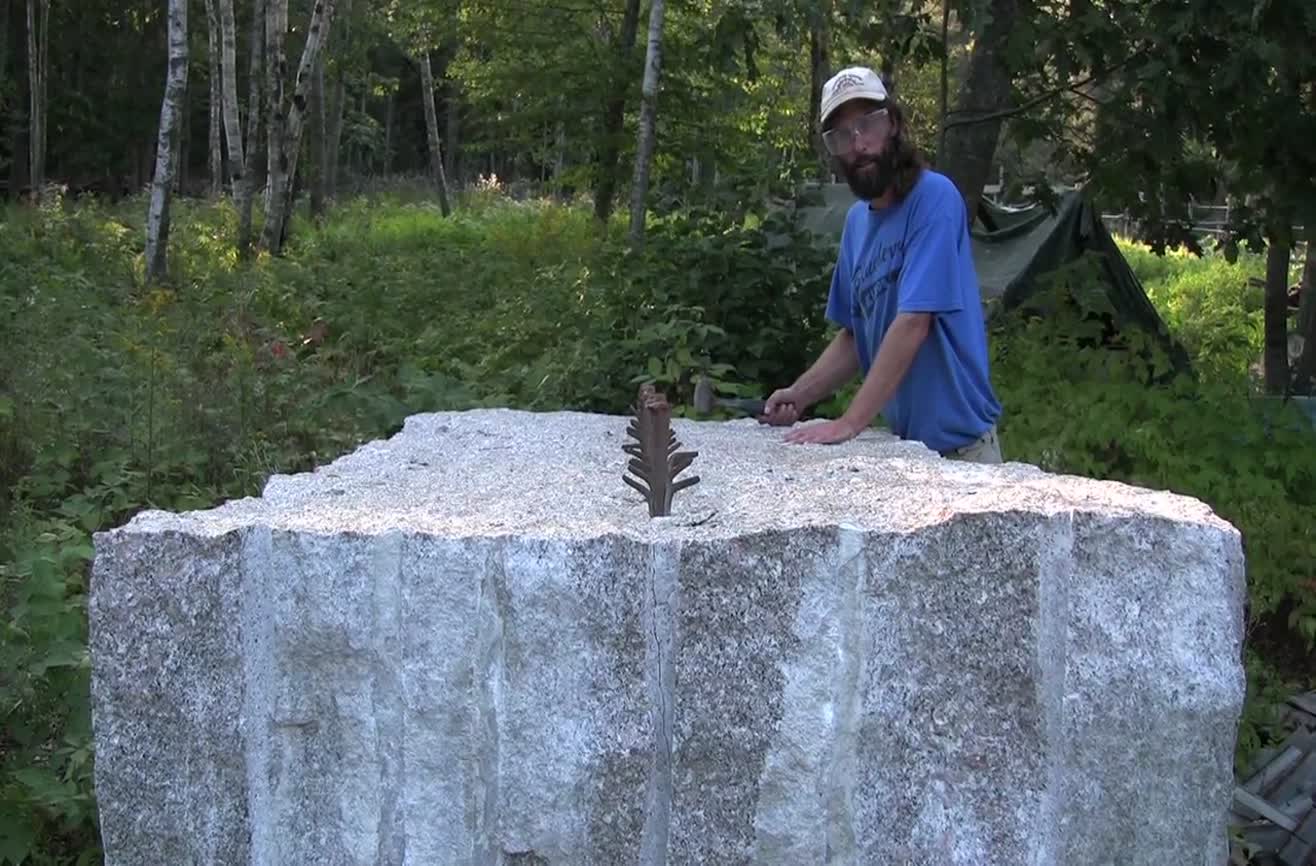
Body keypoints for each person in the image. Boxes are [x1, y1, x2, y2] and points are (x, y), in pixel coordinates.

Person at [761, 65, 1004, 464]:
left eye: (867, 124)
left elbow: (914, 322)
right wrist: (800, 395)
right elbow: (856, 336)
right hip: (908, 451)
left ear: (892, 123)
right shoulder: (857, 224)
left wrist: (849, 423)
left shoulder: (934, 199)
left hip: (965, 453)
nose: (858, 144)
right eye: (841, 136)